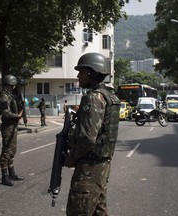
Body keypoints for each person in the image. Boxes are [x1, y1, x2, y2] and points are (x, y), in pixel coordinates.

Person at [64, 52, 121, 215]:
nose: (78, 76)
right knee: (98, 211)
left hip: (89, 169)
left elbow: (88, 137)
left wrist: (72, 157)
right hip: (101, 166)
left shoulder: (94, 97)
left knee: (78, 211)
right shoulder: (109, 96)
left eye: (81, 72)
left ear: (90, 72)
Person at [0, 74, 24, 186]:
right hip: (8, 126)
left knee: (12, 150)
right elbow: (5, 112)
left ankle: (11, 173)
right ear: (10, 85)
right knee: (6, 151)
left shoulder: (10, 95)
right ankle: (4, 177)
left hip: (13, 125)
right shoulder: (3, 96)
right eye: (13, 86)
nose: (14, 88)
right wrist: (17, 116)